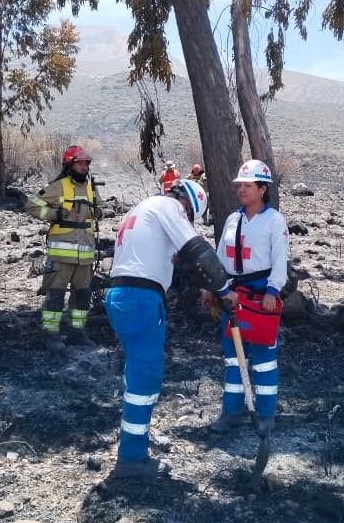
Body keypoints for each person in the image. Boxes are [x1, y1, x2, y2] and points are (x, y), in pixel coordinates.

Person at [105, 179, 229, 479]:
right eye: (190, 216)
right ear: (187, 204)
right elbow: (200, 253)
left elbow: (175, 260)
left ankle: (138, 436)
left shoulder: (143, 209)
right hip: (142, 299)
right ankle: (131, 459)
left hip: (121, 296)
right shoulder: (170, 207)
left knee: (137, 372)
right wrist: (224, 289)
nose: (187, 219)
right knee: (145, 380)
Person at [207, 159, 289, 439]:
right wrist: (213, 288)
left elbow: (280, 259)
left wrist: (273, 291)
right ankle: (231, 411)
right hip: (231, 296)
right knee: (233, 358)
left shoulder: (274, 220)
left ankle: (266, 414)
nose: (241, 190)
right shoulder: (233, 219)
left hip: (261, 295)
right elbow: (220, 256)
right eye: (239, 185)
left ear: (262, 189)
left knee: (264, 359)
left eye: (248, 185)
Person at [28, 145, 102, 352]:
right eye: (80, 163)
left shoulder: (91, 188)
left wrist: (100, 212)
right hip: (61, 255)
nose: (84, 167)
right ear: (69, 165)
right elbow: (32, 204)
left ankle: (76, 333)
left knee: (82, 297)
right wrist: (54, 215)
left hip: (85, 254)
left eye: (86, 164)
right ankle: (51, 335)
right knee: (55, 297)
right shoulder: (58, 186)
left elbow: (100, 207)